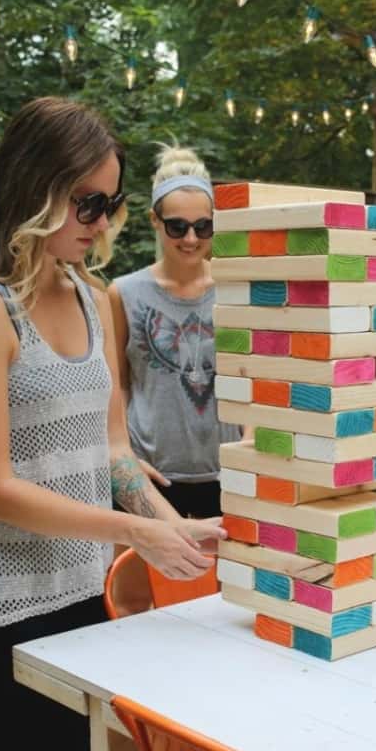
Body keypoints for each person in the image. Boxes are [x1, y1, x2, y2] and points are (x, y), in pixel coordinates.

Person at [0, 97, 224, 751]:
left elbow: (112, 451)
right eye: (88, 202)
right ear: (35, 188)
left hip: (80, 594)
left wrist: (170, 522)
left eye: (111, 203)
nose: (102, 221)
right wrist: (134, 532)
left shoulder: (91, 296)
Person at [107, 144, 241, 520]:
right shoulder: (124, 293)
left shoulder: (239, 290)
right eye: (177, 226)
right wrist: (124, 459)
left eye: (203, 226)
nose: (191, 239)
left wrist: (252, 448)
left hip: (228, 475)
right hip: (151, 477)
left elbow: (258, 377)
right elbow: (117, 383)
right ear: (154, 220)